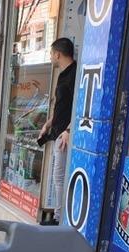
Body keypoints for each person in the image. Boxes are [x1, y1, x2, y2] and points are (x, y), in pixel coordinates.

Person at [38, 37, 77, 225]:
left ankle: (59, 218)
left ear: (58, 54)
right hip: (58, 131)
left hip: (66, 135)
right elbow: (62, 106)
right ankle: (58, 215)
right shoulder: (63, 74)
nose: (51, 57)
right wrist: (48, 123)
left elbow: (79, 106)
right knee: (59, 177)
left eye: (51, 53)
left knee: (60, 177)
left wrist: (69, 130)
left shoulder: (75, 74)